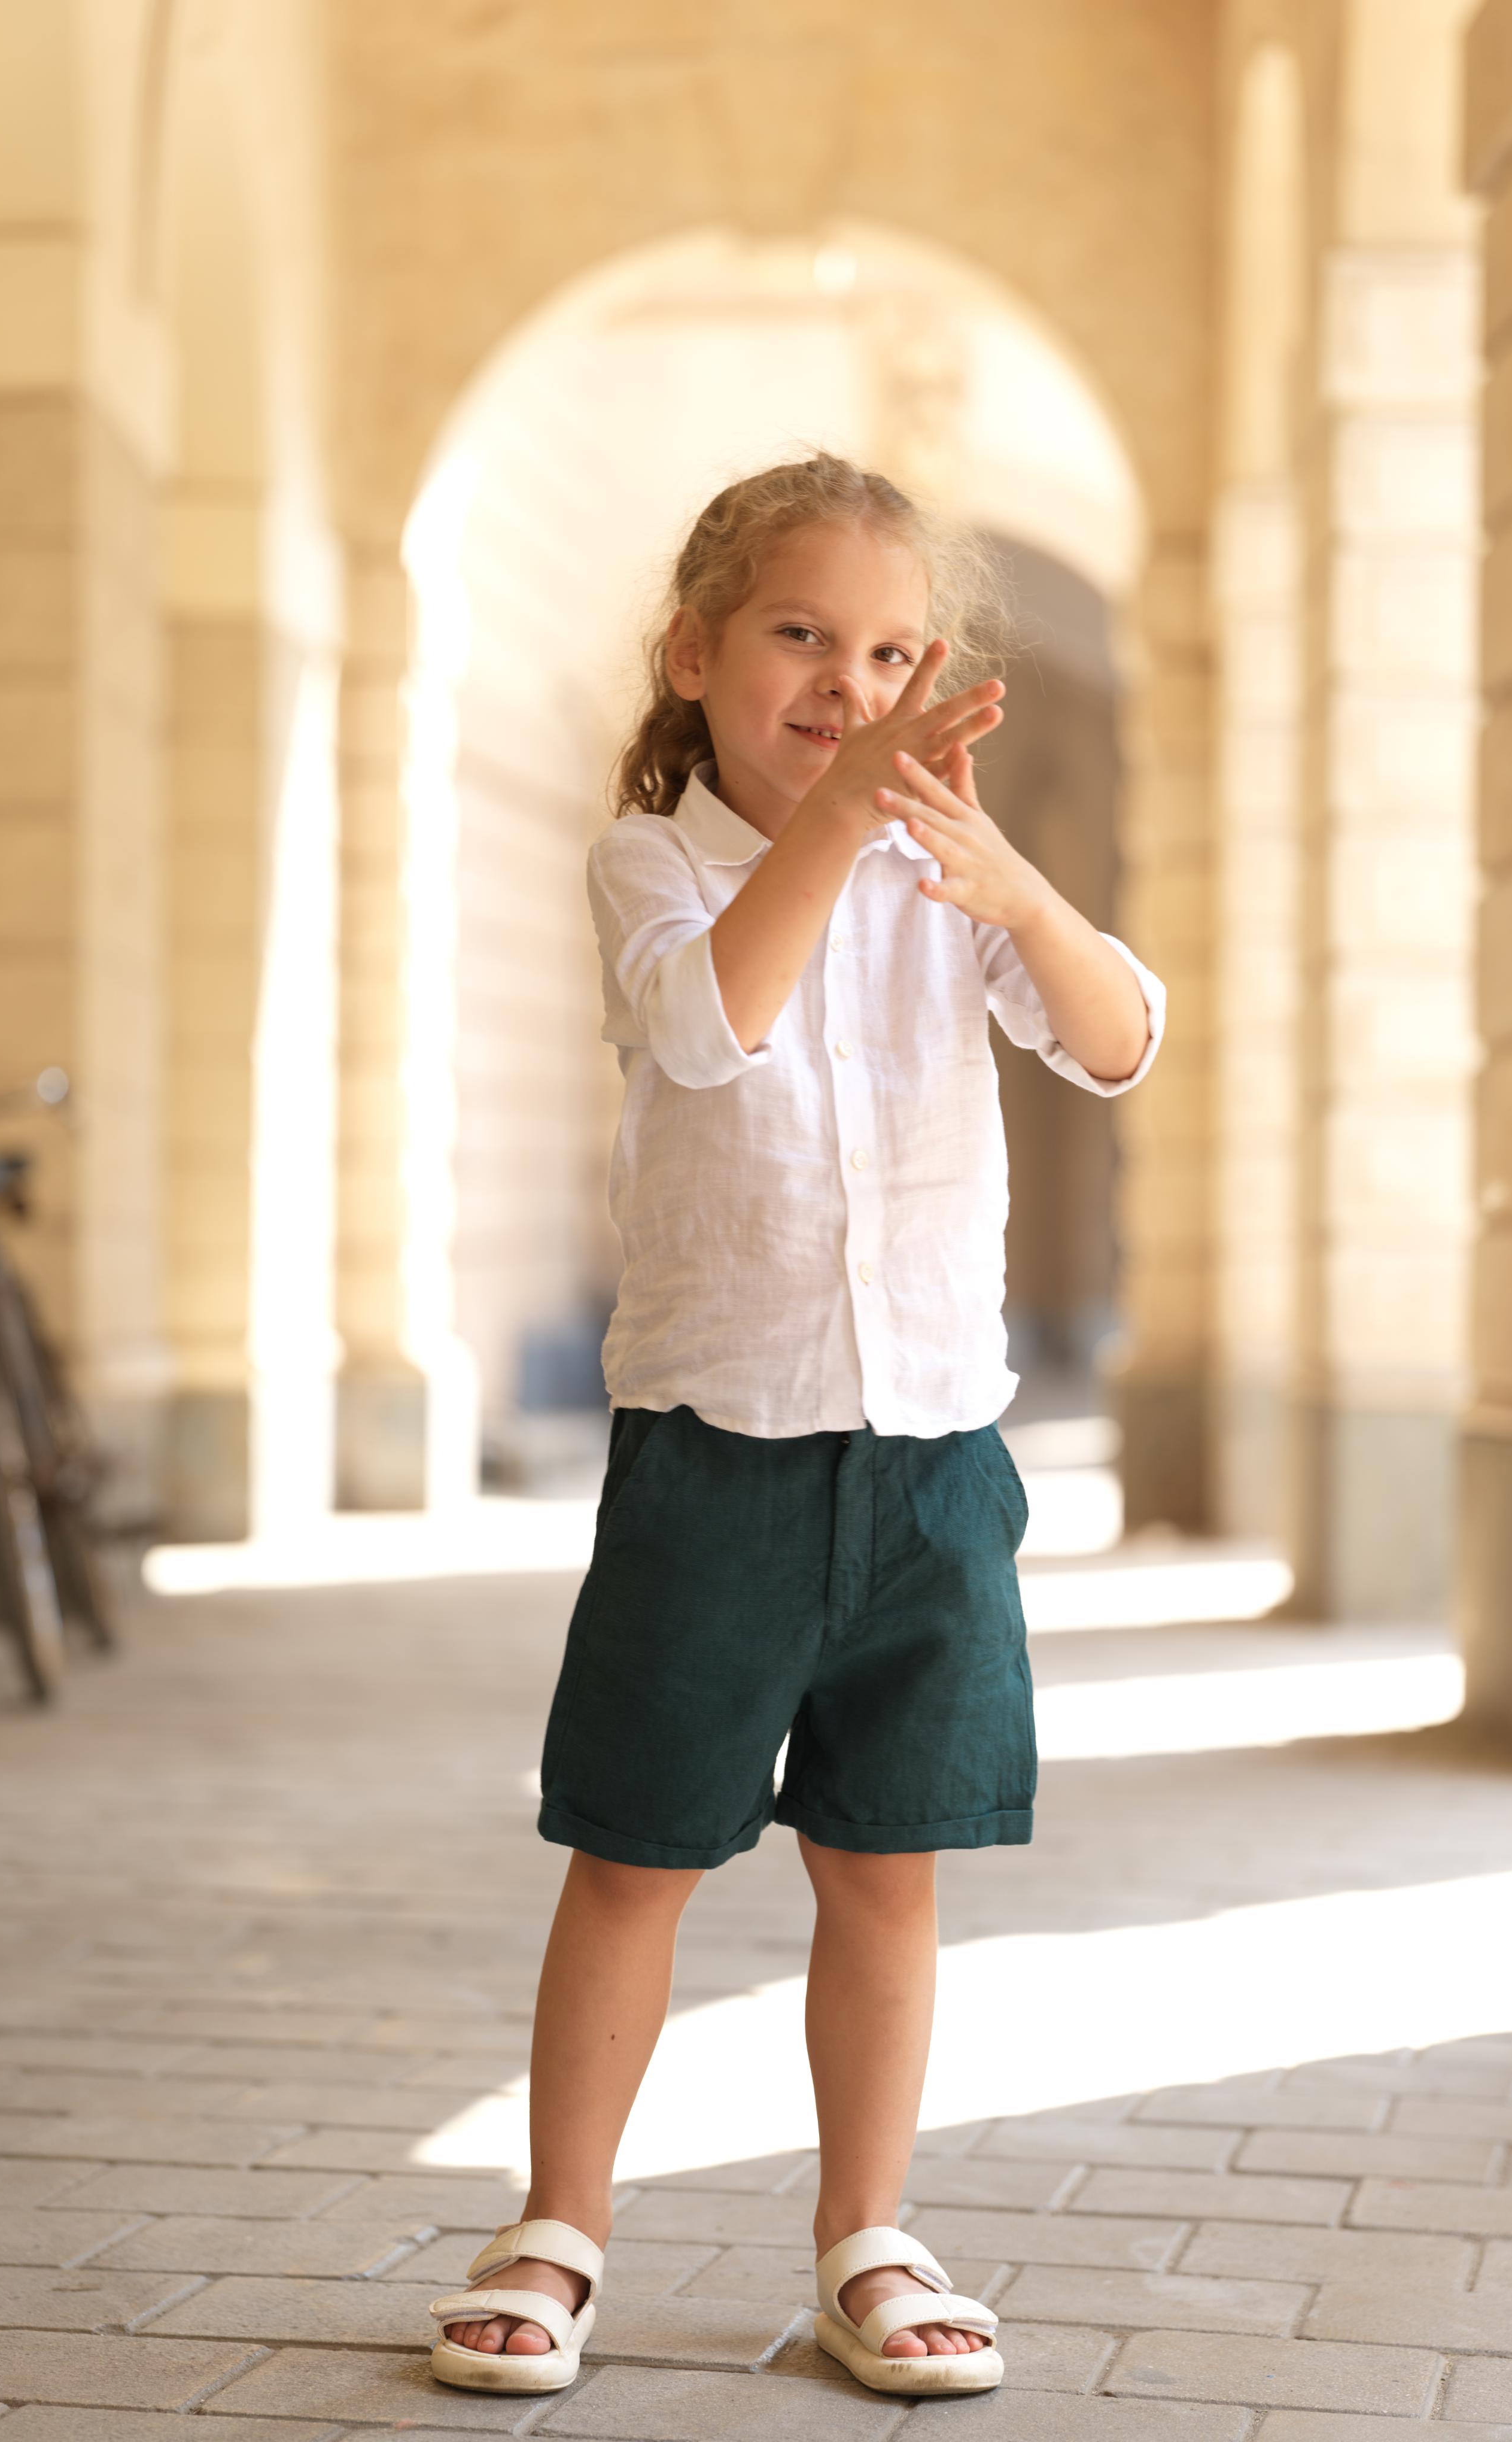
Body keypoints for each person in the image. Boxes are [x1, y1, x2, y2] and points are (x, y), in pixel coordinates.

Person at [425, 452, 1164, 2400]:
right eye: (800, 636)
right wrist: (834, 827)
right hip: (719, 1453)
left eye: (893, 649)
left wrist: (1006, 881)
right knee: (633, 1854)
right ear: (693, 653)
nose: (849, 680)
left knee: (884, 1867)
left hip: (928, 1459)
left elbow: (1111, 1036)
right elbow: (706, 1029)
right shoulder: (654, 861)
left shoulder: (943, 870)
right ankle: (556, 2222)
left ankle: (866, 2237)